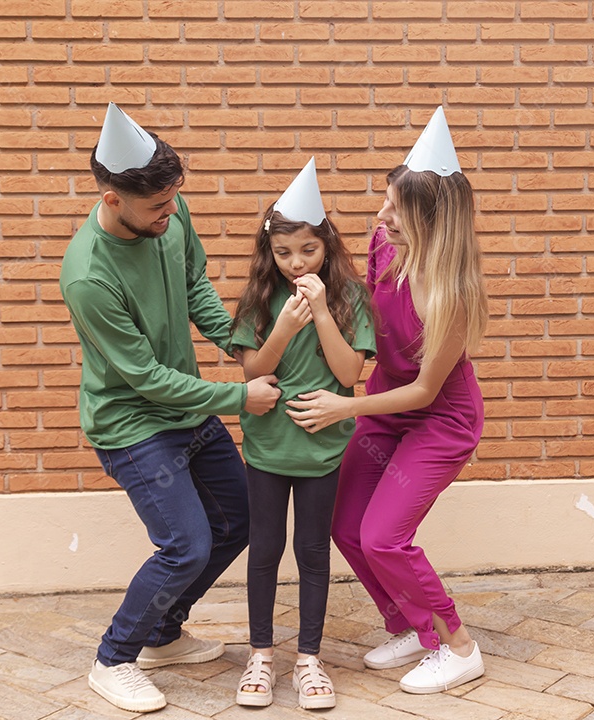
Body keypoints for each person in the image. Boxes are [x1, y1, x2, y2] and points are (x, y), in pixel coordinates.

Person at [60, 103, 281, 714]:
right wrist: (241, 396)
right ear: (111, 199)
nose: (169, 212)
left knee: (238, 521)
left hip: (187, 408)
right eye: (156, 206)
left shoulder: (168, 210)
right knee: (184, 542)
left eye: (172, 200)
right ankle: (114, 658)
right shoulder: (88, 276)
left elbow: (194, 284)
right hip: (133, 425)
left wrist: (238, 343)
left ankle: (163, 633)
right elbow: (148, 380)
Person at [285, 107, 490, 694]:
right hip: (383, 408)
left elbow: (427, 389)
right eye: (386, 201)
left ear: (432, 219)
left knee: (384, 537)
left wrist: (341, 406)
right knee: (346, 527)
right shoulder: (383, 245)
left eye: (396, 208)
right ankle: (410, 623)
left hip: (438, 422)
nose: (381, 216)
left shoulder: (452, 291)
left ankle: (457, 645)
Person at [229, 159, 376, 710]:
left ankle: (309, 661)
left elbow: (347, 375)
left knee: (312, 550)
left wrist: (318, 313)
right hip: (268, 446)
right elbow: (252, 373)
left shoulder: (351, 299)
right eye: (284, 252)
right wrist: (285, 325)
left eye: (308, 251)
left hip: (323, 447)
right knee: (264, 548)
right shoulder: (257, 301)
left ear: (327, 246)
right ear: (270, 251)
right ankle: (262, 656)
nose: (295, 263)